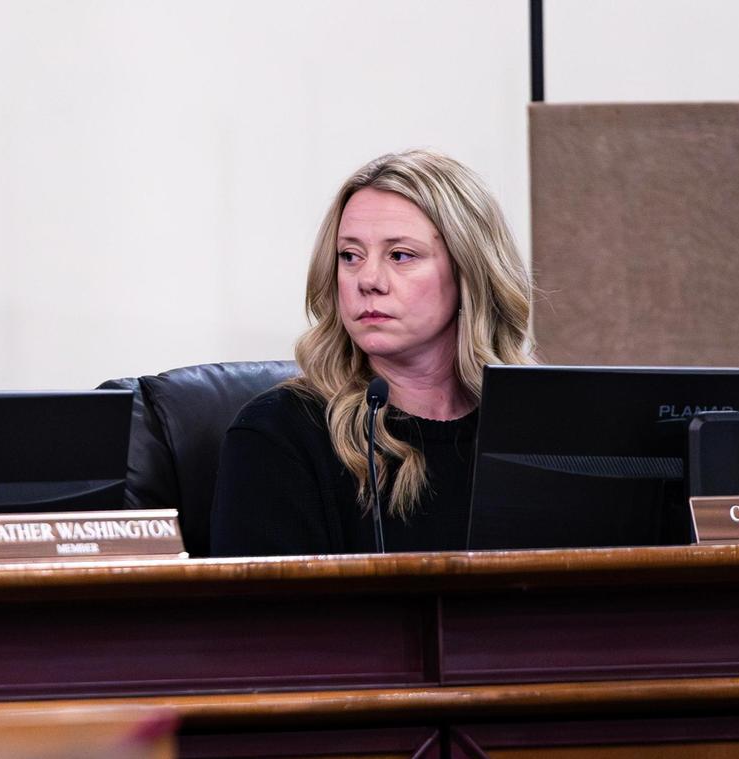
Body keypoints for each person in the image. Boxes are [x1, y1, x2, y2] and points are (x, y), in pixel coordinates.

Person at [210, 150, 536, 556]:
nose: (368, 280)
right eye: (350, 256)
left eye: (400, 255)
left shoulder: (537, 427)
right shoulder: (278, 434)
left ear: (469, 271)